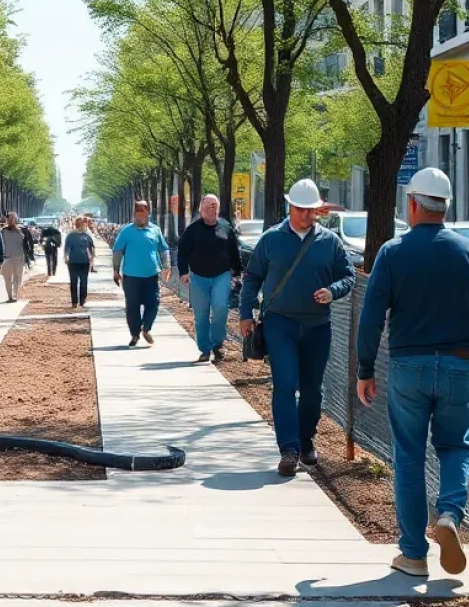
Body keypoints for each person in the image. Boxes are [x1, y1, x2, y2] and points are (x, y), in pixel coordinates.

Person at [356, 168, 469, 579]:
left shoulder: (392, 253)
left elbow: (371, 318)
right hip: (458, 364)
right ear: (445, 206)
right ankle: (450, 515)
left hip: (408, 366)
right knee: (456, 447)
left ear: (412, 204)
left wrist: (365, 368)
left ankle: (413, 554)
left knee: (408, 457)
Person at [239, 179, 355, 477]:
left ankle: (306, 439)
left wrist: (333, 290)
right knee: (285, 384)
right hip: (280, 323)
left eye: (312, 210)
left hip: (318, 325)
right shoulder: (271, 240)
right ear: (290, 207)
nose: (307, 215)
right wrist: (245, 314)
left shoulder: (329, 241)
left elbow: (348, 275)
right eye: (302, 209)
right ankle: (288, 449)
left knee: (313, 389)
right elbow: (252, 278)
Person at [177, 193, 242, 364]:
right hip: (198, 278)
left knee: (221, 308)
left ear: (218, 209)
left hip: (221, 276)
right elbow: (182, 252)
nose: (211, 209)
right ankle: (205, 349)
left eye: (214, 206)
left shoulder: (225, 227)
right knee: (201, 315)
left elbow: (234, 251)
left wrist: (237, 272)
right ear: (201, 209)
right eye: (207, 206)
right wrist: (183, 272)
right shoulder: (192, 230)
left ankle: (218, 344)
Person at [112, 201, 171, 347]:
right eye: (138, 214)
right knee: (132, 306)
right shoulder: (126, 231)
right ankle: (135, 334)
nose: (140, 217)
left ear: (148, 215)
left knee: (153, 302)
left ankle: (146, 328)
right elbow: (118, 251)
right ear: (134, 215)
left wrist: (167, 266)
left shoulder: (155, 230)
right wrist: (116, 270)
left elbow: (163, 249)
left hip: (151, 275)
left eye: (143, 214)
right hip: (131, 276)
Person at [0, 212, 33, 302]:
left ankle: (14, 295)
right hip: (7, 257)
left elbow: (28, 244)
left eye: (11, 218)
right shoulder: (3, 231)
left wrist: (29, 256)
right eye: (8, 219)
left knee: (17, 277)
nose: (9, 220)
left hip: (19, 257)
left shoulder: (22, 230)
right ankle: (10, 296)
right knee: (7, 278)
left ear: (15, 219)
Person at [64, 217, 96, 309]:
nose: (85, 225)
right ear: (80, 225)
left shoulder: (86, 236)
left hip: (84, 262)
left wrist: (92, 257)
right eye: (84, 224)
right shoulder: (71, 236)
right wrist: (66, 256)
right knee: (74, 282)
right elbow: (67, 248)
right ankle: (74, 302)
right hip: (73, 262)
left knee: (83, 282)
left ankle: (82, 301)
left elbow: (91, 247)